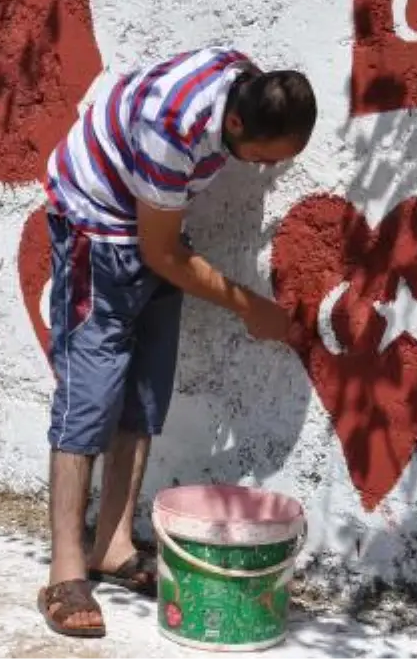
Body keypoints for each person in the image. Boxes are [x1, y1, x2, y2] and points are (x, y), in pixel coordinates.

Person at [35, 46, 317, 638]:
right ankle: (65, 569)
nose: (264, 171)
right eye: (263, 158)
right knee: (90, 392)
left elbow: (162, 243)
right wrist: (251, 307)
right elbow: (159, 253)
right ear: (234, 124)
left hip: (151, 221)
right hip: (96, 225)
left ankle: (111, 546)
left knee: (144, 390)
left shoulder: (242, 80)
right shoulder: (171, 129)